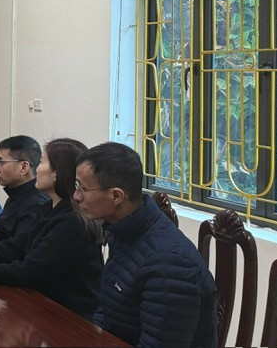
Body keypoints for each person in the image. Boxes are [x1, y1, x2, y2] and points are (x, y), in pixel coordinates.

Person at [0, 138, 104, 320]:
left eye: (42, 162)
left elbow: (28, 271)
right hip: (41, 306)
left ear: (57, 174)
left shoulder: (70, 221)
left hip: (67, 317)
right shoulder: (48, 209)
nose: (37, 169)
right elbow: (14, 248)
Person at [74, 143, 217, 348]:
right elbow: (107, 312)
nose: (76, 196)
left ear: (116, 196)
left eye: (83, 189)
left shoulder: (169, 264)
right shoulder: (122, 230)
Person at [0, 135, 50, 247]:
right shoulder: (15, 195)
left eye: (1, 162)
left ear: (23, 167)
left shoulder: (37, 204)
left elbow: (16, 252)